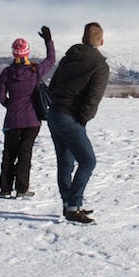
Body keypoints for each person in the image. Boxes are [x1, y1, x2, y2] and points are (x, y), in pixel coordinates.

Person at [47, 22, 110, 224]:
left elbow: (53, 84)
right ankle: (74, 206)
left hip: (54, 113)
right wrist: (82, 118)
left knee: (65, 162)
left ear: (83, 38)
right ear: (101, 40)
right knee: (88, 161)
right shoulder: (100, 65)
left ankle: (69, 204)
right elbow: (94, 97)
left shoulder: (68, 58)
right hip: (70, 117)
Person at [0, 26, 56, 199]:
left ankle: (5, 189)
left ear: (14, 53)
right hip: (32, 120)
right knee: (25, 154)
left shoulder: (7, 73)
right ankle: (22, 189)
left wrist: (11, 105)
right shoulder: (35, 71)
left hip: (12, 120)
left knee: (8, 153)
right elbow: (51, 59)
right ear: (27, 53)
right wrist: (48, 41)